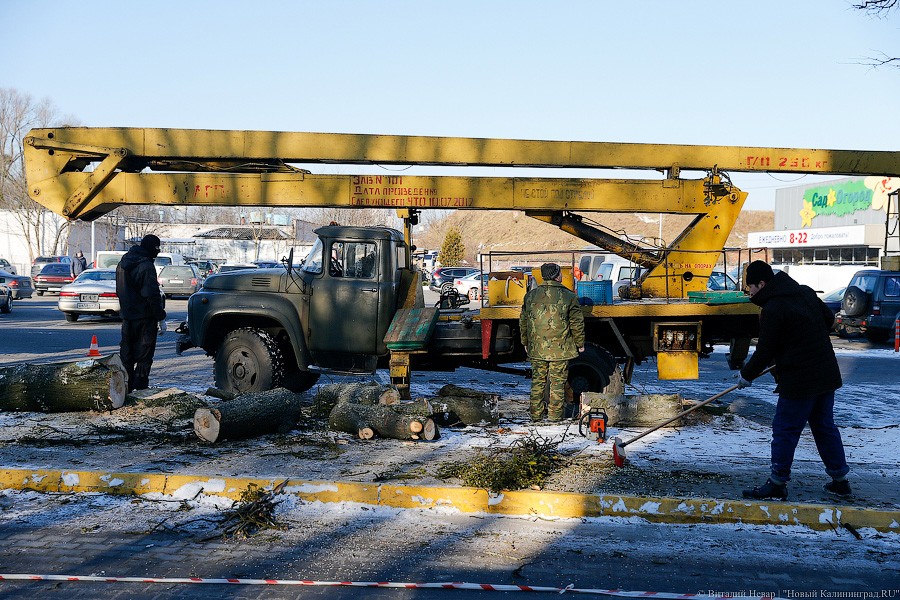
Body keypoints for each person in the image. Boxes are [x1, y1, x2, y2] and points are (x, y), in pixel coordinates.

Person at [738, 260, 850, 500]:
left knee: (785, 429)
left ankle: (777, 483)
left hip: (801, 378)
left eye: (751, 288)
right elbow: (829, 321)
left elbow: (765, 350)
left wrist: (745, 376)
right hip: (826, 373)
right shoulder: (805, 293)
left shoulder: (773, 308)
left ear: (762, 283)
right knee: (824, 427)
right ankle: (840, 480)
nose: (750, 293)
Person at [519, 263, 585, 422]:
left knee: (537, 382)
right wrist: (580, 343)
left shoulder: (530, 296)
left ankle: (536, 416)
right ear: (557, 276)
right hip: (560, 350)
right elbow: (577, 323)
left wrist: (525, 341)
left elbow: (524, 321)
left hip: (537, 349)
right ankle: (554, 418)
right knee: (557, 383)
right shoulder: (569, 296)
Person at [116, 234, 167, 392]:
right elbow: (151, 295)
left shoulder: (123, 263)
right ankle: (140, 390)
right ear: (151, 247)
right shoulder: (146, 266)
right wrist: (161, 317)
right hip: (145, 318)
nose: (158, 252)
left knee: (127, 355)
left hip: (127, 317)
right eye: (157, 248)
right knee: (144, 357)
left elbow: (120, 290)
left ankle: (125, 389)